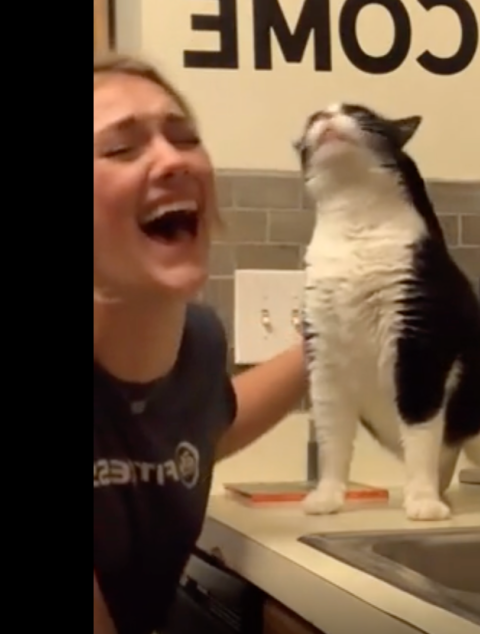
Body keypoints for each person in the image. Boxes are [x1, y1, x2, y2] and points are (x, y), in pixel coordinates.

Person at [93, 52, 308, 634]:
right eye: (121, 148)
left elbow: (197, 424)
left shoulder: (200, 343)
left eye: (185, 137)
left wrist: (327, 343)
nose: (173, 160)